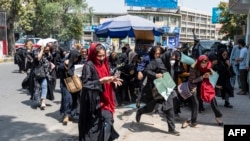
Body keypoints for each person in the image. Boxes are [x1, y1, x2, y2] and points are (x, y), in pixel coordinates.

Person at [79, 43, 122, 141]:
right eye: (99, 56)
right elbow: (86, 84)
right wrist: (101, 81)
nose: (102, 58)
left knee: (108, 121)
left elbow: (108, 75)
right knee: (94, 128)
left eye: (104, 55)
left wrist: (112, 79)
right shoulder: (88, 65)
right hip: (93, 102)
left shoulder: (106, 63)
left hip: (106, 99)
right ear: (94, 54)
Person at [135, 50, 180, 136]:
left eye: (173, 59)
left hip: (166, 88)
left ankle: (171, 129)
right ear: (167, 56)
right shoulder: (156, 62)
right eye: (171, 58)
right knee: (150, 108)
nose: (172, 60)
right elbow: (146, 71)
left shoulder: (170, 65)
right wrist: (156, 75)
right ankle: (140, 111)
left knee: (170, 107)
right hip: (156, 89)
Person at [58, 49, 82, 125]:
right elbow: (59, 68)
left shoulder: (78, 63)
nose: (76, 59)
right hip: (65, 84)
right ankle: (66, 115)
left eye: (77, 57)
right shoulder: (64, 61)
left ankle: (72, 114)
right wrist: (65, 65)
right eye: (75, 57)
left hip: (75, 84)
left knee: (75, 99)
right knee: (67, 99)